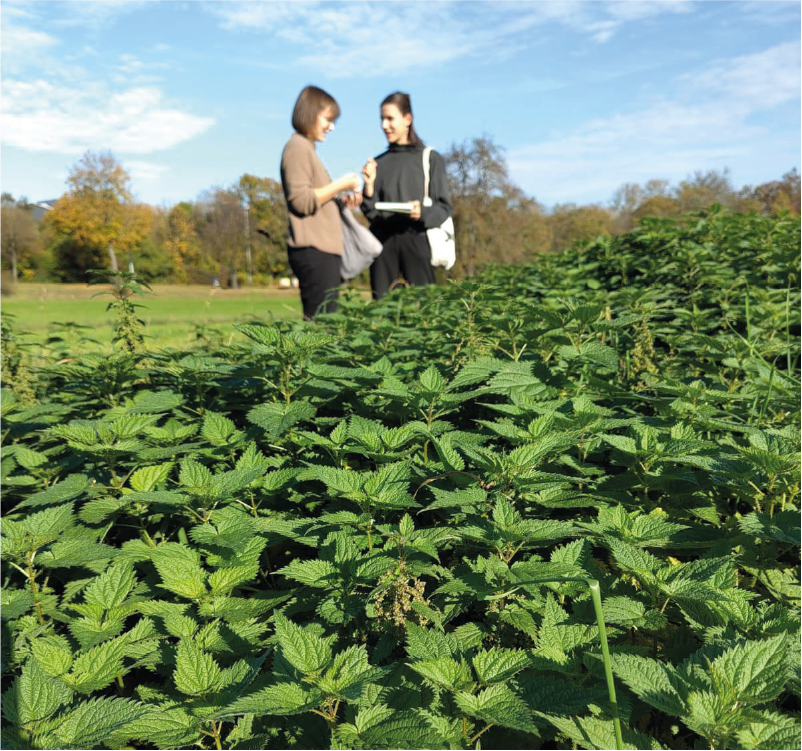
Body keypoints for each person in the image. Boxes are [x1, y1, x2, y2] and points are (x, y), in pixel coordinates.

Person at [360, 92, 453, 300]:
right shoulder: (378, 163)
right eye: (382, 119)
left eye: (390, 118)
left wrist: (422, 212)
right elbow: (370, 211)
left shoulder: (430, 158)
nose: (384, 125)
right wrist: (368, 186)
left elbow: (444, 208)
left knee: (424, 308)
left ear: (407, 119)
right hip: (383, 245)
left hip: (418, 241)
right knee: (383, 309)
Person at [280, 85, 362, 319]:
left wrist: (341, 202)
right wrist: (341, 184)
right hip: (313, 252)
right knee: (320, 325)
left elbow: (316, 198)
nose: (331, 127)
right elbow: (301, 201)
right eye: (328, 119)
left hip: (322, 252)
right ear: (310, 113)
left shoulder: (307, 149)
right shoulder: (297, 147)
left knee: (325, 325)